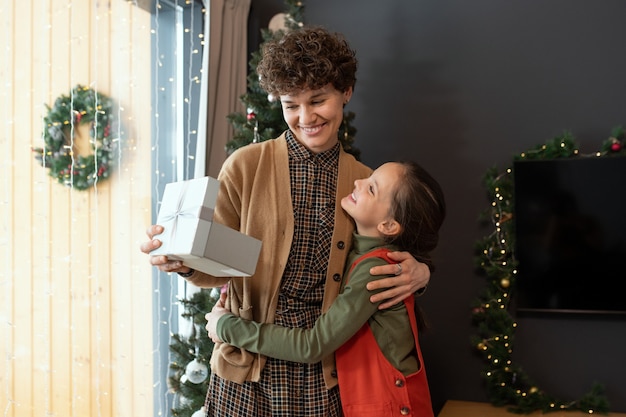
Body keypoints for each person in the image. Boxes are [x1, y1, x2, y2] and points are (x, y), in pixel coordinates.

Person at [140, 26, 431, 417]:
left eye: (318, 100)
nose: (305, 117)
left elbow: (380, 260)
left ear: (346, 92)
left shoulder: (362, 183)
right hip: (244, 373)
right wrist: (183, 261)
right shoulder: (245, 165)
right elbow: (219, 265)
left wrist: (421, 271)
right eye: (291, 104)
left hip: (322, 376)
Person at [205, 161, 446, 417]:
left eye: (372, 188)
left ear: (388, 226)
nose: (359, 181)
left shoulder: (374, 270)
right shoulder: (366, 252)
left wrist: (227, 327)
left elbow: (313, 345)